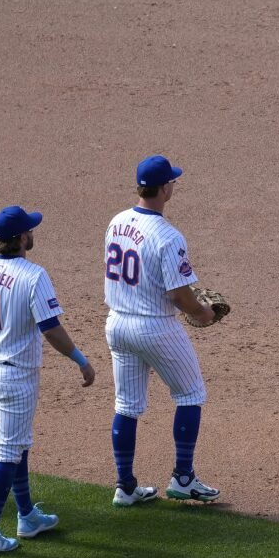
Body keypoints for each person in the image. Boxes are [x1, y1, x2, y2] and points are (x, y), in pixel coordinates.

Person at [0, 206, 96, 554]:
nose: (32, 234)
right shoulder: (33, 275)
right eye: (30, 230)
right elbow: (51, 329)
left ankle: (26, 515)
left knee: (17, 442)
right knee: (8, 451)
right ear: (22, 238)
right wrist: (81, 361)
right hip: (16, 380)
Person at [103, 155, 221, 507]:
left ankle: (125, 486)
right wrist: (203, 313)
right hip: (154, 326)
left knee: (126, 405)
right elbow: (178, 294)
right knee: (190, 394)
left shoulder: (117, 221)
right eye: (172, 182)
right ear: (165, 188)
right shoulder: (168, 236)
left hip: (118, 325)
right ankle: (183, 478)